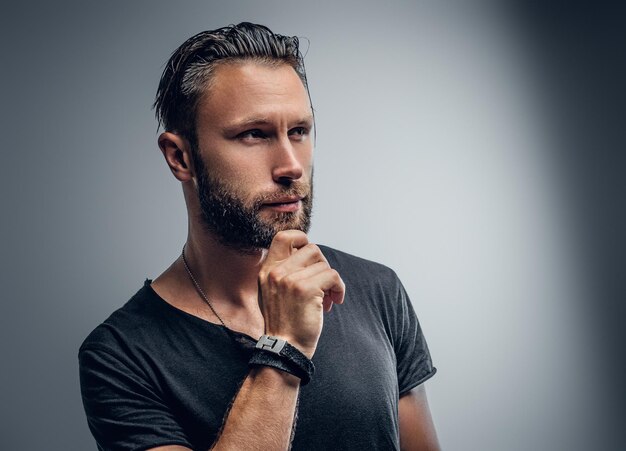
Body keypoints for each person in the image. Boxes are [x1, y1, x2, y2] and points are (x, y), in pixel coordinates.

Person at [79, 22, 439, 451]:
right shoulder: (121, 356)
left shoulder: (377, 290)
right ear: (180, 157)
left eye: (299, 132)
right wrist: (282, 349)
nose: (291, 166)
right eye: (254, 134)